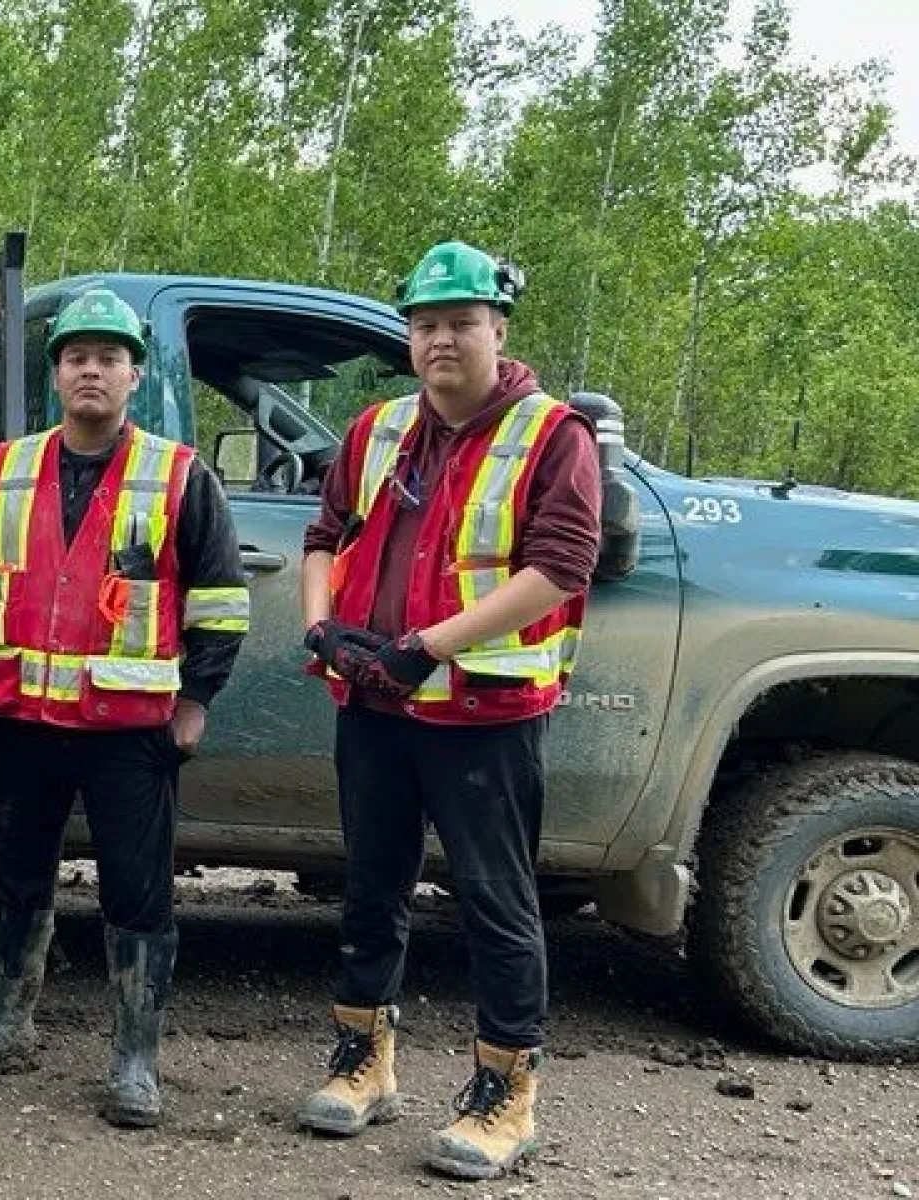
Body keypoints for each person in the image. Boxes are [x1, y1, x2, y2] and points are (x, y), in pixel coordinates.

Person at [296, 241, 600, 1181]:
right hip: (375, 700)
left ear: (498, 331)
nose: (440, 341)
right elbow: (325, 534)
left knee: (494, 899)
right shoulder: (378, 429)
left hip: (485, 711)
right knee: (370, 886)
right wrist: (322, 628)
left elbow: (560, 568)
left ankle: (507, 1095)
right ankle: (363, 1063)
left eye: (460, 323)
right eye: (425, 325)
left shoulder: (553, 436)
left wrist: (430, 643)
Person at [0, 289, 250, 1129]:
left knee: (137, 892)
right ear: (57, 372)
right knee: (15, 877)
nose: (91, 370)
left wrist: (195, 703)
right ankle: (6, 1023)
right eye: (77, 356)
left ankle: (134, 1060)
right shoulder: (4, 468)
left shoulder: (180, 475)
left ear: (133, 374)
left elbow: (220, 602)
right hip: (21, 722)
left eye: (108, 357)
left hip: (129, 731)